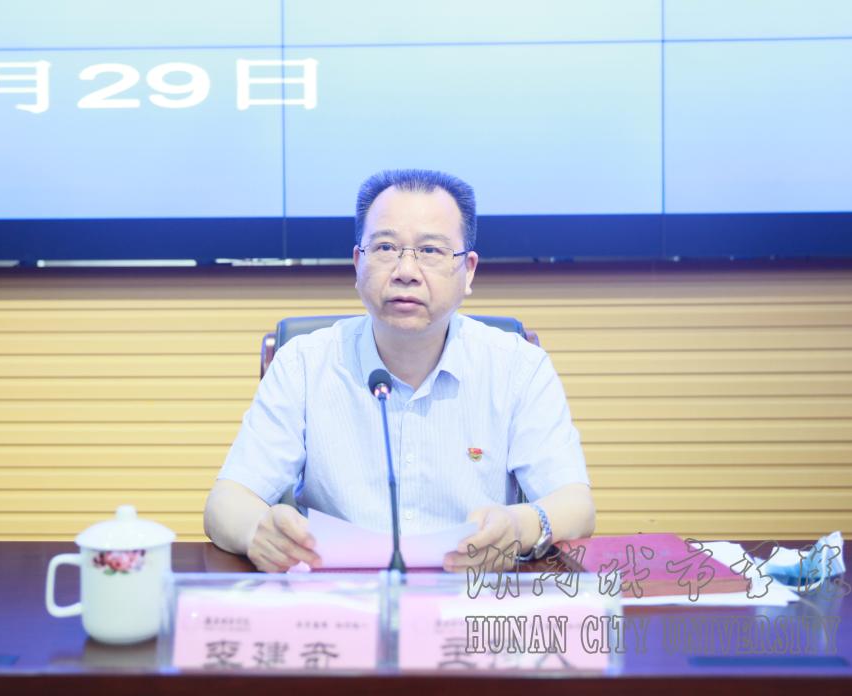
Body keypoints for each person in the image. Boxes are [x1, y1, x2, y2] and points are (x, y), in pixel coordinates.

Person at [204, 169, 594, 572]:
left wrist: (520, 525)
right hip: (339, 595)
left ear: (468, 270)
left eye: (431, 250)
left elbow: (576, 505)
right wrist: (257, 531)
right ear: (358, 263)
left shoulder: (518, 367)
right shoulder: (303, 364)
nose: (406, 271)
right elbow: (226, 503)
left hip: (474, 595)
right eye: (386, 247)